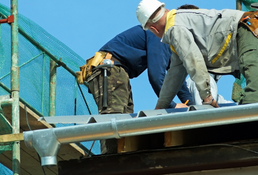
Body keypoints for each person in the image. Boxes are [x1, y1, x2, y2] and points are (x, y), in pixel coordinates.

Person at [80, 25, 193, 154]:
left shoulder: (168, 42)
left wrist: (194, 106)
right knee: (113, 120)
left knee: (125, 124)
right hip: (111, 70)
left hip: (118, 73)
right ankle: (109, 162)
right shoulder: (161, 34)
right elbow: (156, 76)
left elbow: (176, 79)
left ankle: (118, 161)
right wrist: (171, 105)